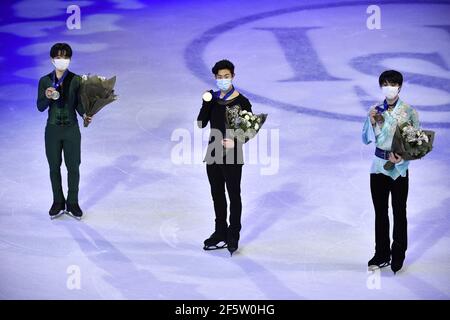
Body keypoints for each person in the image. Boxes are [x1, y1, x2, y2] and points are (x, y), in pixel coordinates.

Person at [362, 70, 420, 274]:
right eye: (385, 84)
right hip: (378, 167)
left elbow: (416, 144)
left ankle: (398, 254)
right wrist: (370, 121)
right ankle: (381, 254)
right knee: (380, 213)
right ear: (381, 87)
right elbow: (366, 138)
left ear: (400, 87)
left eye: (393, 84)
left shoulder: (410, 112)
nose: (389, 88)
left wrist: (403, 157)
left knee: (399, 211)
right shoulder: (375, 110)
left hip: (399, 170)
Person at [197, 59, 253, 256]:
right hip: (213, 152)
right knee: (217, 194)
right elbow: (201, 123)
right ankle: (220, 231)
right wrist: (206, 104)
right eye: (219, 77)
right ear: (215, 78)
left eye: (226, 77)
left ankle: (233, 234)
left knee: (233, 194)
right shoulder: (211, 99)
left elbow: (249, 129)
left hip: (232, 154)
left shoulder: (242, 101)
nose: (223, 80)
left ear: (233, 76)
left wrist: (236, 142)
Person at [36, 43, 92, 220]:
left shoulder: (76, 80)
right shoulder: (45, 81)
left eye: (66, 57)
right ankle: (58, 201)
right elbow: (40, 107)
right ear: (52, 59)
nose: (62, 60)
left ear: (70, 59)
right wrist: (46, 96)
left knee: (73, 167)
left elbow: (79, 105)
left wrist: (86, 115)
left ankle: (73, 202)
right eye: (59, 57)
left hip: (71, 130)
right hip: (52, 131)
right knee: (54, 167)